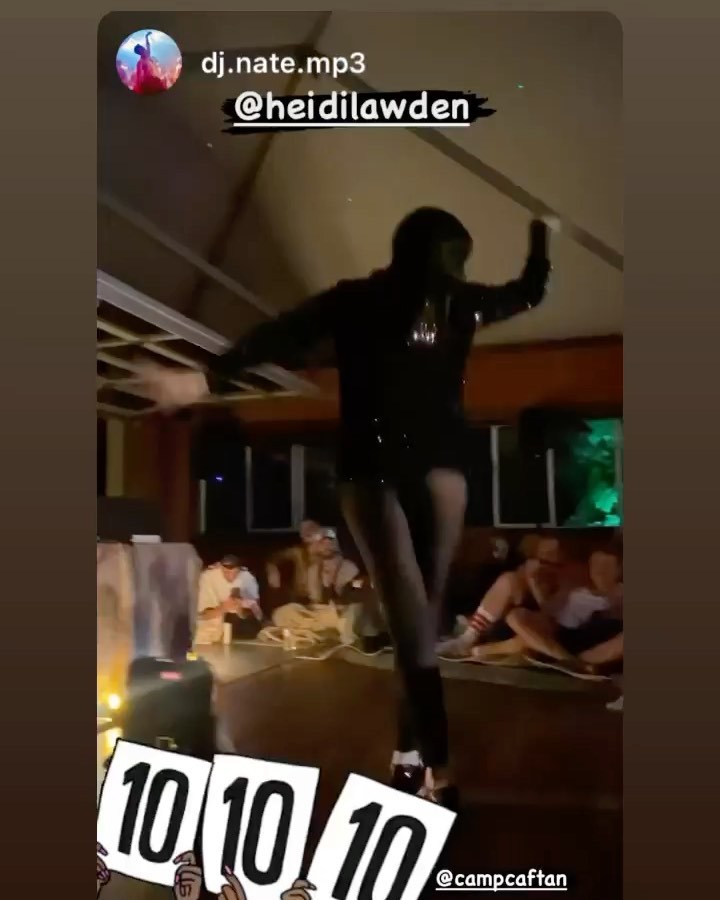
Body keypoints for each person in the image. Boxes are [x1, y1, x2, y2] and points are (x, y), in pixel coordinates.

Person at [140, 208, 552, 809]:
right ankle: (427, 766)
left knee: (415, 626)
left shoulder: (363, 298)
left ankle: (423, 762)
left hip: (380, 469)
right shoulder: (460, 302)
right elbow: (530, 291)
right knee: (416, 625)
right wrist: (541, 235)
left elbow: (284, 332)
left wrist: (206, 379)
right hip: (431, 472)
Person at [436, 536, 563, 660]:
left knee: (520, 627)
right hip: (513, 620)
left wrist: (536, 587)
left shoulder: (563, 577)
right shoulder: (528, 571)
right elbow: (511, 587)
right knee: (508, 581)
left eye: (550, 559)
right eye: (541, 558)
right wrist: (530, 579)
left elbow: (553, 617)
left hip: (549, 627)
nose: (544, 563)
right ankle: (468, 638)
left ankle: (479, 649)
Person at [503, 547, 624, 678]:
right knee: (514, 617)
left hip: (602, 644)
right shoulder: (578, 594)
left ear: (619, 570)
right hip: (568, 640)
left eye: (606, 568)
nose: (600, 572)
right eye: (596, 566)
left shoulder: (622, 593)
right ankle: (569, 663)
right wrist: (534, 584)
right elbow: (549, 617)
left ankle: (578, 664)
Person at [194, 554, 262, 646]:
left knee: (248, 628)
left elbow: (257, 614)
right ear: (221, 568)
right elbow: (202, 615)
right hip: (213, 619)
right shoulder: (208, 576)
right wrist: (223, 608)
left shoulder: (248, 578)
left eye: (235, 573)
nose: (231, 577)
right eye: (227, 572)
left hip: (238, 623)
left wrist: (240, 608)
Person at [266, 519, 323, 601]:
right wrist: (272, 570)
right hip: (298, 600)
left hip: (320, 602)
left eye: (311, 529)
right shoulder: (297, 552)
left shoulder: (327, 553)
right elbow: (273, 558)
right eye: (304, 531)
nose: (306, 533)